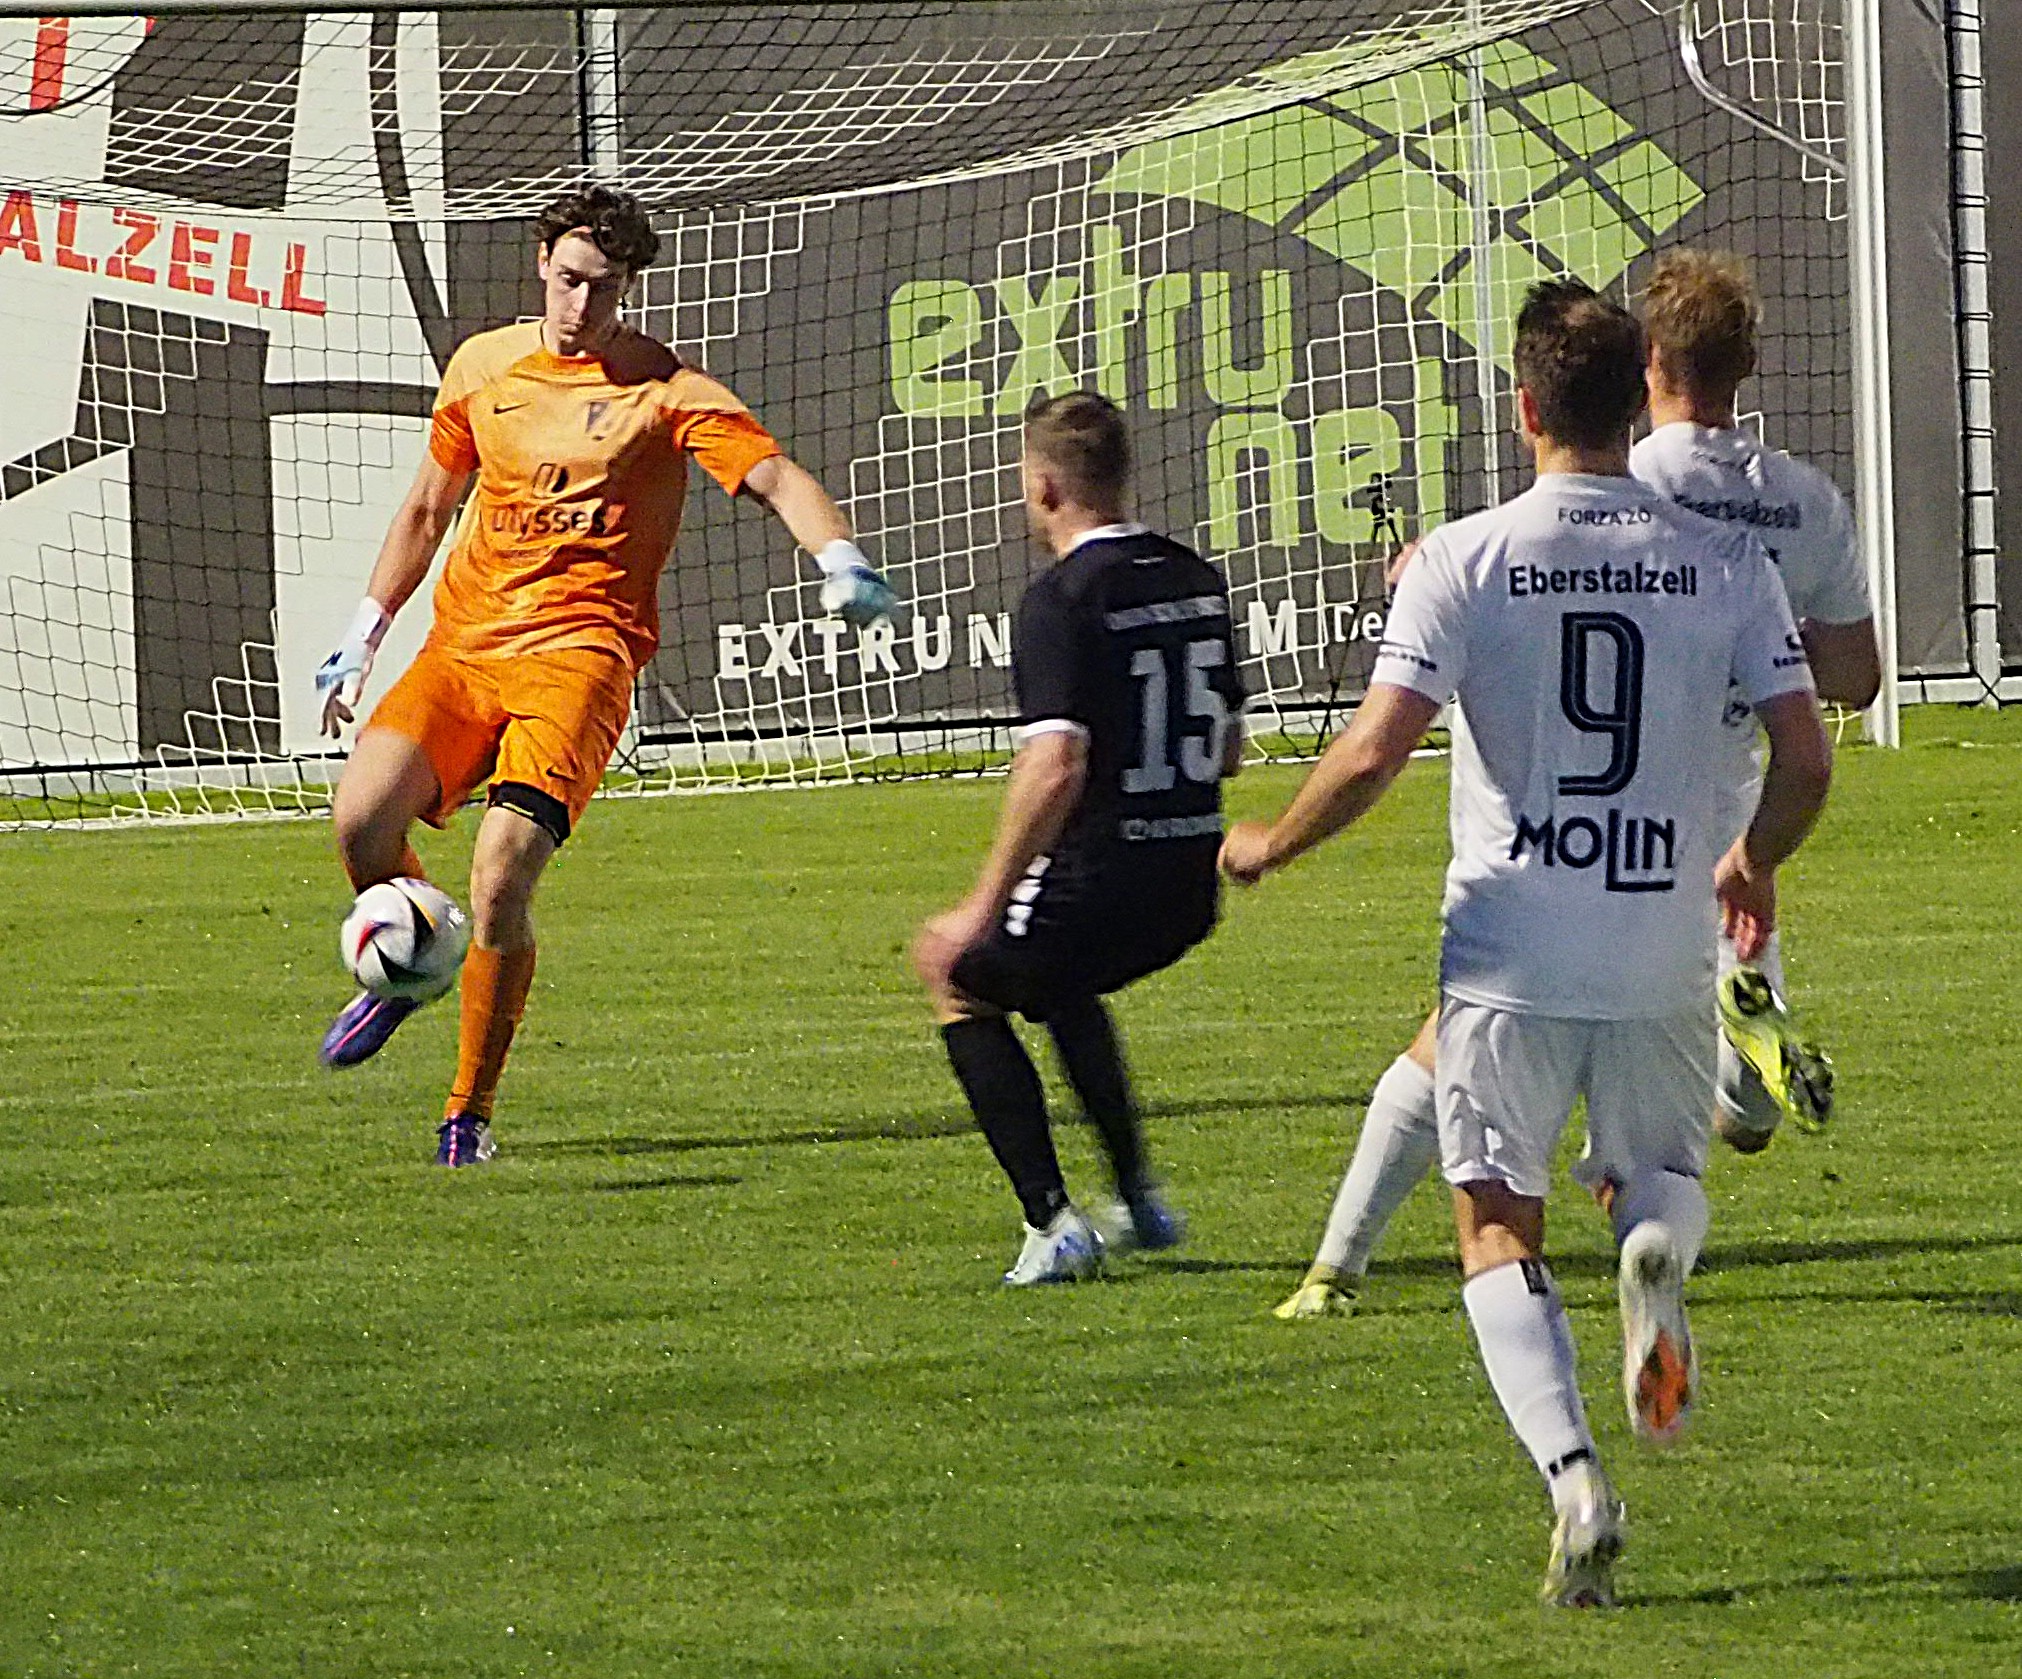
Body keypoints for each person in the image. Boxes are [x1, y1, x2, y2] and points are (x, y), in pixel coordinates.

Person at [1221, 281, 1832, 1605]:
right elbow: (1807, 751)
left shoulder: (1462, 555)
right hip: (1661, 931)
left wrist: (1274, 839)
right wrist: (1752, 859)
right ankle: (1653, 1251)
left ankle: (1574, 1480)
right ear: (1632, 403)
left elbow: (1375, 749)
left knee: (1495, 1220)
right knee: (1658, 1173)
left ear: (1523, 407)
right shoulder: (1728, 560)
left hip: (1508, 946)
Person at [1274, 248, 1878, 1319]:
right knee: (1726, 1129)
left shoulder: (1628, 483)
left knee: (1452, 1054)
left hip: (1589, 833)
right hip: (1735, 826)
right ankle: (1746, 1043)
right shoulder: (1804, 501)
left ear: (1651, 367)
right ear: (1745, 364)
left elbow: (1538, 569)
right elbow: (1855, 679)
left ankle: (1335, 1267)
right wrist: (1762, 646)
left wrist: (1426, 573)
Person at [312, 182, 896, 1166]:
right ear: (542, 261)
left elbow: (774, 476)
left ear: (627, 288)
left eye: (606, 288)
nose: (583, 304)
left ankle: (467, 1113)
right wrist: (365, 631)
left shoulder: (664, 389)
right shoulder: (482, 367)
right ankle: (416, 959)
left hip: (578, 659)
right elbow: (426, 509)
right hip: (463, 649)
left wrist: (841, 559)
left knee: (500, 875)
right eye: (572, 279)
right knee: (360, 822)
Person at [911, 392, 1245, 1285]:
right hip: (1189, 884)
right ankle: (1138, 1197)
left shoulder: (1060, 599)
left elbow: (1054, 766)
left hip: (1104, 876)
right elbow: (1229, 747)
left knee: (955, 973)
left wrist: (980, 906)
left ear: (1045, 486)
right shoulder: (1194, 576)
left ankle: (1052, 1222)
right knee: (1059, 981)